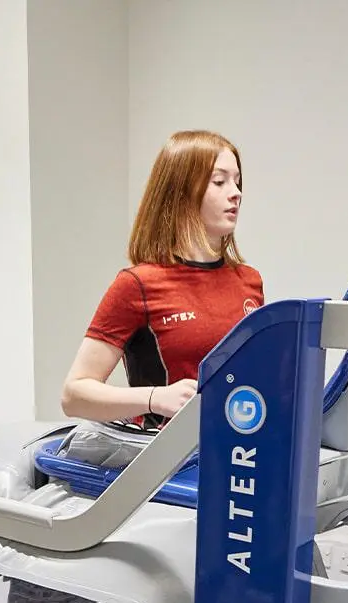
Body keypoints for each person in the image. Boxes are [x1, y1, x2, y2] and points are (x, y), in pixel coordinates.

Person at [60, 129, 263, 424]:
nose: (236, 192)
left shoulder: (250, 281)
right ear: (180, 191)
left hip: (238, 453)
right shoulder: (137, 285)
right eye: (219, 181)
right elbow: (73, 395)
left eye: (237, 181)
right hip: (167, 461)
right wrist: (155, 398)